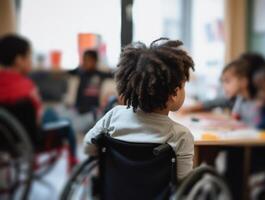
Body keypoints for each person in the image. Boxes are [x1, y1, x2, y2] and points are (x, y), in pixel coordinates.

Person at [84, 38, 195, 180]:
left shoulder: (113, 116)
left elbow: (89, 146)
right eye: (183, 86)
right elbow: (183, 184)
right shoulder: (180, 136)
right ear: (174, 93)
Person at [0, 34, 77, 169]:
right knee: (59, 118)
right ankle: (73, 161)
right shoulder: (27, 86)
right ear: (19, 60)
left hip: (5, 139)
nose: (31, 61)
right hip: (31, 139)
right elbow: (37, 117)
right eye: (29, 56)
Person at [223, 53, 265, 126]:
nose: (224, 86)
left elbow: (258, 128)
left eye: (227, 81)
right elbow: (234, 119)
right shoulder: (240, 98)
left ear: (244, 81)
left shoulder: (259, 103)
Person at [68, 50, 114, 114]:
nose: (85, 62)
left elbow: (113, 75)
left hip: (92, 111)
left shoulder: (100, 75)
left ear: (95, 61)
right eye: (84, 60)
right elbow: (70, 73)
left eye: (88, 60)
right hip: (78, 110)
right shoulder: (80, 73)